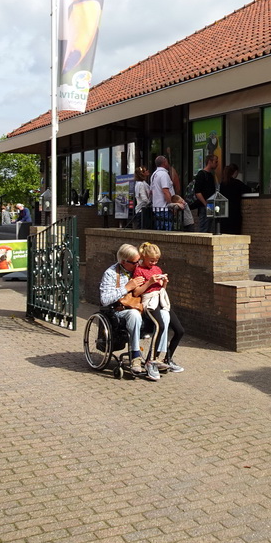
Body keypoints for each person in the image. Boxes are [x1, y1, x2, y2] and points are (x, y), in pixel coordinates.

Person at [99, 243, 154, 379]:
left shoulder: (140, 271)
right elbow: (105, 300)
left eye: (139, 261)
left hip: (139, 307)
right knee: (133, 314)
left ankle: (156, 358)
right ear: (123, 261)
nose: (138, 265)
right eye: (135, 262)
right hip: (119, 312)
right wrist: (127, 287)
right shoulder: (111, 273)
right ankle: (135, 356)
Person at [134, 241, 186, 374]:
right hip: (149, 302)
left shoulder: (157, 269)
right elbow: (136, 292)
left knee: (179, 330)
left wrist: (164, 284)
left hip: (160, 299)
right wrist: (150, 282)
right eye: (151, 260)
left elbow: (160, 288)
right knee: (160, 326)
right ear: (143, 256)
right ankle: (150, 361)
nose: (154, 263)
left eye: (156, 260)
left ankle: (167, 359)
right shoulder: (139, 270)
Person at [218, 163, 249, 235]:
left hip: (224, 215)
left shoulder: (222, 184)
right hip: (234, 214)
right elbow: (248, 189)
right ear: (235, 172)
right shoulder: (237, 183)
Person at [193, 154, 219, 232]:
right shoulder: (201, 174)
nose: (217, 164)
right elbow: (197, 191)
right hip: (205, 205)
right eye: (215, 162)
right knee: (204, 227)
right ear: (210, 162)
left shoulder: (211, 175)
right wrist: (205, 203)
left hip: (210, 204)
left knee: (209, 226)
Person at [151, 156, 175, 230]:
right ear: (164, 163)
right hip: (165, 208)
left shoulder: (154, 175)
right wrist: (171, 205)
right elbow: (166, 191)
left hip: (157, 207)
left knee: (160, 230)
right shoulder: (164, 175)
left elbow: (151, 192)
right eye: (167, 162)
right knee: (167, 231)